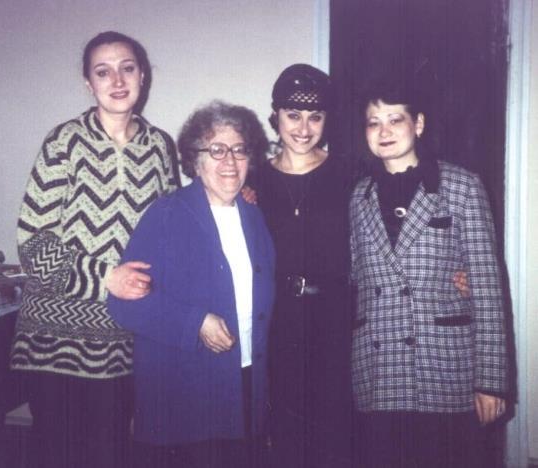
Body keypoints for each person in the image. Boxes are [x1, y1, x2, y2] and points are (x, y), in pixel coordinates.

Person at [10, 31, 180, 468]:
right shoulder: (64, 141)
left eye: (127, 68)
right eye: (103, 72)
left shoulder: (160, 146)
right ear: (89, 83)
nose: (117, 81)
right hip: (53, 339)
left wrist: (231, 198)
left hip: (123, 338)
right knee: (57, 455)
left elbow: (172, 229)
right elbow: (33, 242)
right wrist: (106, 277)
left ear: (143, 75)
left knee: (110, 453)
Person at [348, 80, 508, 468]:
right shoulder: (359, 196)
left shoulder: (461, 186)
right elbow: (356, 280)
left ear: (418, 124)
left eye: (395, 119)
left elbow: (487, 290)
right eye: (373, 122)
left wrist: (491, 381)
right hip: (379, 369)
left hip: (443, 365)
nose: (384, 131)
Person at [108, 101, 275, 468]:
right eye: (217, 150)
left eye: (239, 150)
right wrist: (195, 322)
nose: (230, 161)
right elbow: (124, 302)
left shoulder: (254, 216)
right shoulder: (166, 214)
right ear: (195, 160)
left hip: (245, 387)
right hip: (185, 397)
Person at [251, 64, 353, 468]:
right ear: (275, 116)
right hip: (276, 319)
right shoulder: (252, 178)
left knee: (335, 433)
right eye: (293, 115)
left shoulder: (350, 173)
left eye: (315, 116)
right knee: (282, 432)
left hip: (336, 318)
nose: (304, 128)